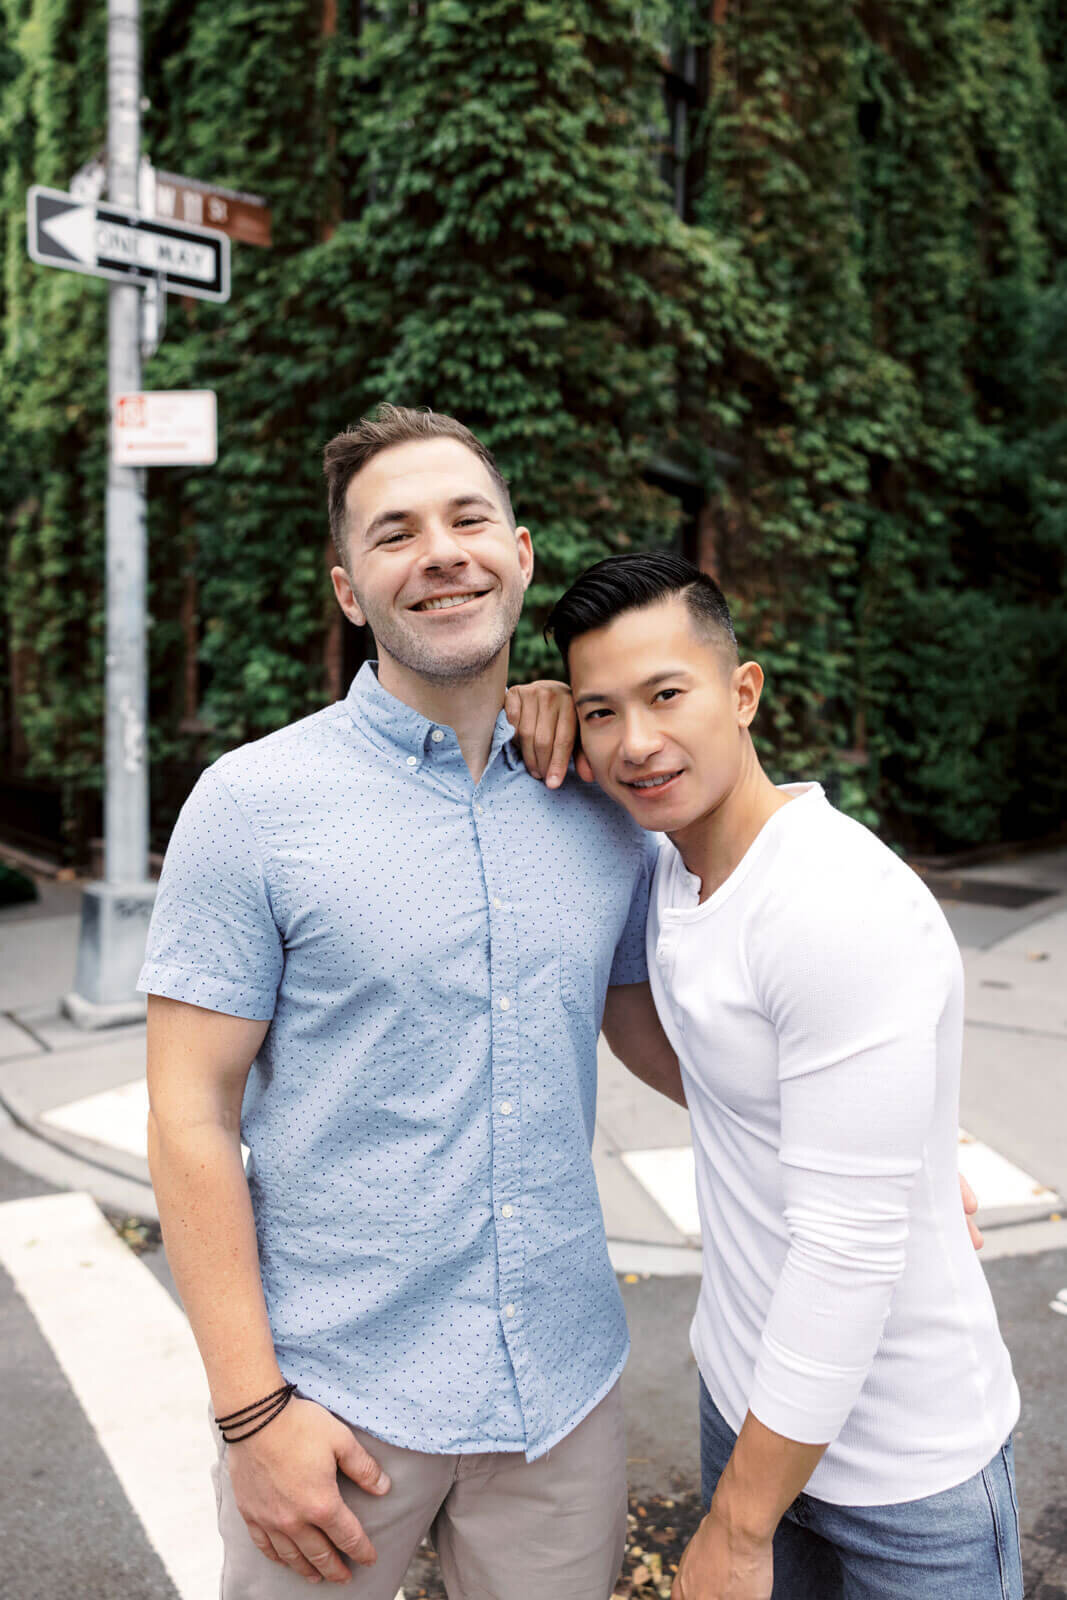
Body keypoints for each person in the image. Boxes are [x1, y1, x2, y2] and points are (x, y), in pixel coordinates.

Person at [139, 406, 681, 1599]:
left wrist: (882, 1140)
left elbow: (671, 1039)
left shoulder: (601, 798)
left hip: (558, 1393)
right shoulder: (251, 805)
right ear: (348, 588)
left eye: (467, 518)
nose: (439, 551)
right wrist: (249, 1412)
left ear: (521, 554)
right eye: (395, 533)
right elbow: (188, 1114)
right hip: (331, 1405)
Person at [540, 550, 1022, 1600]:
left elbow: (847, 1251)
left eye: (667, 694)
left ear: (742, 690)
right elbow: (661, 1035)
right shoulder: (670, 860)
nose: (637, 742)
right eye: (600, 712)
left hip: (906, 1465)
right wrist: (877, 1134)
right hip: (749, 1399)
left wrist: (737, 1524)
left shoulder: (834, 906)